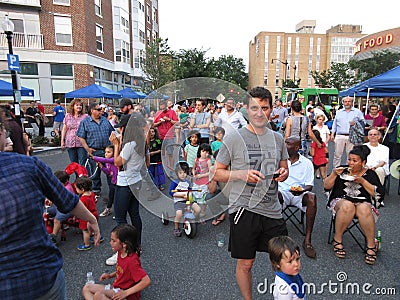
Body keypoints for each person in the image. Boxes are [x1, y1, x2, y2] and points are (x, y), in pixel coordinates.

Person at [0, 112, 101, 299]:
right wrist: (91, 219)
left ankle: (55, 234)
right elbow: (68, 201)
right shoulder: (27, 166)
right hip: (40, 275)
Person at [214, 87, 289, 300]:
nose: (259, 113)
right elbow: (216, 173)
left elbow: (285, 169)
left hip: (272, 209)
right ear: (246, 109)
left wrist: (283, 173)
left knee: (284, 258)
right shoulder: (234, 138)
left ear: (271, 110)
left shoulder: (278, 139)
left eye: (264, 108)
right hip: (244, 209)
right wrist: (241, 174)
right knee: (246, 263)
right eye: (254, 108)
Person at [324, 145, 384, 265]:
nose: (350, 163)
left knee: (363, 208)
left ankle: (371, 245)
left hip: (363, 202)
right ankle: (338, 239)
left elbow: (377, 193)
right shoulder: (342, 170)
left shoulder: (370, 174)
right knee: (348, 206)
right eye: (349, 159)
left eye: (354, 161)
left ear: (363, 162)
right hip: (342, 201)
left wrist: (362, 181)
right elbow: (326, 186)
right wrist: (334, 174)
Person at [106, 113, 146, 266]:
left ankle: (123, 252)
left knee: (120, 218)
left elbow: (117, 162)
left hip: (125, 183)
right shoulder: (140, 140)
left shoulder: (129, 145)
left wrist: (116, 145)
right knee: (134, 214)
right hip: (136, 180)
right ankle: (137, 246)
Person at [82, 224, 151, 300]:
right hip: (116, 288)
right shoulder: (121, 252)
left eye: (114, 241)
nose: (110, 243)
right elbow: (124, 271)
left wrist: (125, 293)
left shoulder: (132, 261)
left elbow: (146, 281)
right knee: (86, 288)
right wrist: (110, 275)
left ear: (124, 244)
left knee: (98, 296)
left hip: (124, 293)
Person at [278, 137, 318, 258]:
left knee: (312, 198)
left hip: (299, 193)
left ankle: (307, 240)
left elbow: (309, 185)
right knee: (275, 195)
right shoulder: (279, 161)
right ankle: (277, 237)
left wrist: (302, 190)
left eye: (288, 144)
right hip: (282, 192)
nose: (285, 147)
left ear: (297, 148)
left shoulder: (306, 163)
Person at [77, 102, 115, 194]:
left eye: (101, 109)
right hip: (95, 151)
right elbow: (81, 137)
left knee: (110, 172)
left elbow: (112, 132)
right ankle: (96, 191)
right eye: (98, 109)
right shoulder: (85, 122)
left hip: (107, 151)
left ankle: (113, 191)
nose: (101, 111)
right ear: (92, 111)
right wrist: (87, 149)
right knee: (95, 173)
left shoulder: (105, 120)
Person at [330, 96, 365, 168]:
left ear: (352, 102)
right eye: (345, 102)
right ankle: (336, 170)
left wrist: (355, 123)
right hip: (340, 135)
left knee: (350, 155)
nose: (347, 103)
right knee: (337, 154)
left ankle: (349, 170)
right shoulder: (339, 112)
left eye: (349, 101)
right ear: (343, 103)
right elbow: (335, 124)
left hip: (352, 136)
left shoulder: (357, 112)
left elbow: (363, 122)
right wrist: (332, 134)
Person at [169, 161, 201, 237]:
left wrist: (192, 194)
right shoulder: (175, 182)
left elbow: (190, 190)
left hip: (188, 200)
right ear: (177, 173)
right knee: (179, 213)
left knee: (198, 209)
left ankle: (193, 220)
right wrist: (180, 195)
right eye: (180, 173)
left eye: (184, 172)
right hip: (179, 201)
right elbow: (171, 192)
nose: (183, 175)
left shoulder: (188, 182)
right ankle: (176, 227)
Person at [268, 236, 306, 300]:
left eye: (297, 259)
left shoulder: (290, 273)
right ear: (277, 263)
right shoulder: (284, 291)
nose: (296, 264)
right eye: (290, 261)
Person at [47, 170, 75, 244]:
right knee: (46, 211)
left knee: (57, 219)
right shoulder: (61, 186)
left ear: (66, 181)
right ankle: (53, 227)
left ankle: (53, 237)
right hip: (59, 207)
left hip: (67, 209)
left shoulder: (67, 189)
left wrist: (53, 200)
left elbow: (61, 199)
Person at [74, 176, 100, 251]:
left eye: (76, 188)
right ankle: (96, 236)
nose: (76, 190)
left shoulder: (83, 199)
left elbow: (80, 209)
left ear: (82, 189)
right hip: (94, 213)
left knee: (85, 231)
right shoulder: (92, 194)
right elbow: (95, 201)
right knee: (93, 227)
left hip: (86, 216)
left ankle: (86, 244)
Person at [93, 145, 119, 217]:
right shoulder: (107, 162)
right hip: (113, 182)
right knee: (111, 196)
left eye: (109, 152)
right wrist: (101, 167)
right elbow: (108, 172)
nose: (106, 154)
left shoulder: (114, 159)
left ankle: (118, 213)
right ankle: (108, 209)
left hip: (118, 183)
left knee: (117, 198)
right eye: (105, 152)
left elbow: (105, 160)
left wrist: (94, 158)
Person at [61, 99, 88, 166]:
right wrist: (62, 141)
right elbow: (64, 129)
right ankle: (77, 176)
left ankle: (84, 176)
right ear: (73, 106)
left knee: (82, 162)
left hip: (81, 143)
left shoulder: (85, 117)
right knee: (74, 163)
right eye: (77, 105)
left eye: (80, 105)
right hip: (70, 142)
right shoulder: (67, 116)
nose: (79, 106)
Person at [153, 100, 178, 171]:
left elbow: (176, 123)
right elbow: (154, 125)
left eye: (164, 108)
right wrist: (160, 122)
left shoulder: (172, 112)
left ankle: (172, 168)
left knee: (170, 153)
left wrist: (169, 119)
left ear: (166, 106)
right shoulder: (158, 113)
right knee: (162, 154)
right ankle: (164, 167)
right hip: (160, 137)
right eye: (161, 109)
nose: (162, 110)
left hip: (170, 136)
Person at [192, 143, 213, 218]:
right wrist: (194, 173)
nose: (205, 154)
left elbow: (210, 172)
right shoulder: (196, 159)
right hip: (196, 180)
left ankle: (203, 210)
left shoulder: (208, 161)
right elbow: (193, 168)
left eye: (207, 152)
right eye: (204, 151)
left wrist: (201, 175)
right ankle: (196, 209)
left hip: (205, 181)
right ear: (200, 151)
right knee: (196, 196)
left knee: (203, 197)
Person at [147, 127, 166, 191]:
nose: (151, 133)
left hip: (157, 160)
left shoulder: (158, 141)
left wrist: (153, 153)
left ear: (155, 133)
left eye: (153, 132)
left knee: (158, 173)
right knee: (150, 174)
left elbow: (162, 149)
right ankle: (151, 186)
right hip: (150, 161)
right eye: (150, 132)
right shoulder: (147, 142)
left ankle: (160, 185)